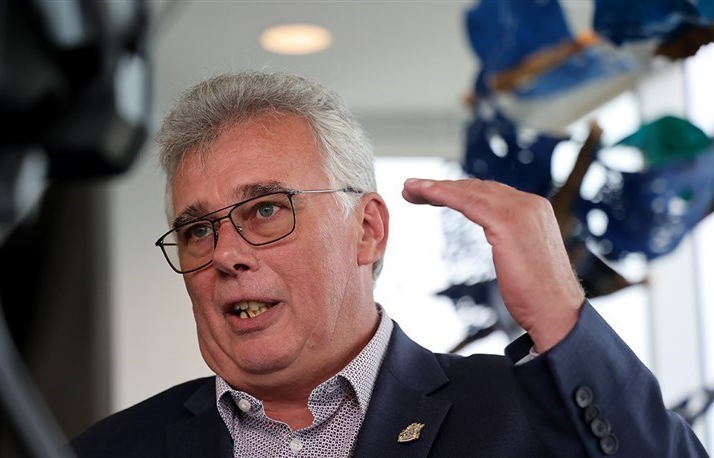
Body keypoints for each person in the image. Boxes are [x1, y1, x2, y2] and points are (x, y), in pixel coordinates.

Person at [71, 71, 706, 457]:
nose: (226, 254)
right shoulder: (107, 450)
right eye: (197, 230)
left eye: (265, 210)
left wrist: (560, 314)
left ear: (367, 231)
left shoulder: (528, 417)